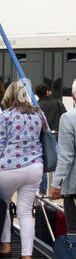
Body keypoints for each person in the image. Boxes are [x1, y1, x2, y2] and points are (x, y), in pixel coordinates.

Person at [0, 82, 46, 259]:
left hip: (10, 168)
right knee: (26, 212)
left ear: (9, 96)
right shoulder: (39, 114)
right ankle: (27, 257)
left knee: (3, 206)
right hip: (35, 167)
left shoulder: (6, 116)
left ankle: (5, 245)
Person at [48, 82, 76, 231]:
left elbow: (66, 156)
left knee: (73, 232)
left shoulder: (69, 118)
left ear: (73, 97)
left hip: (73, 187)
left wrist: (56, 184)